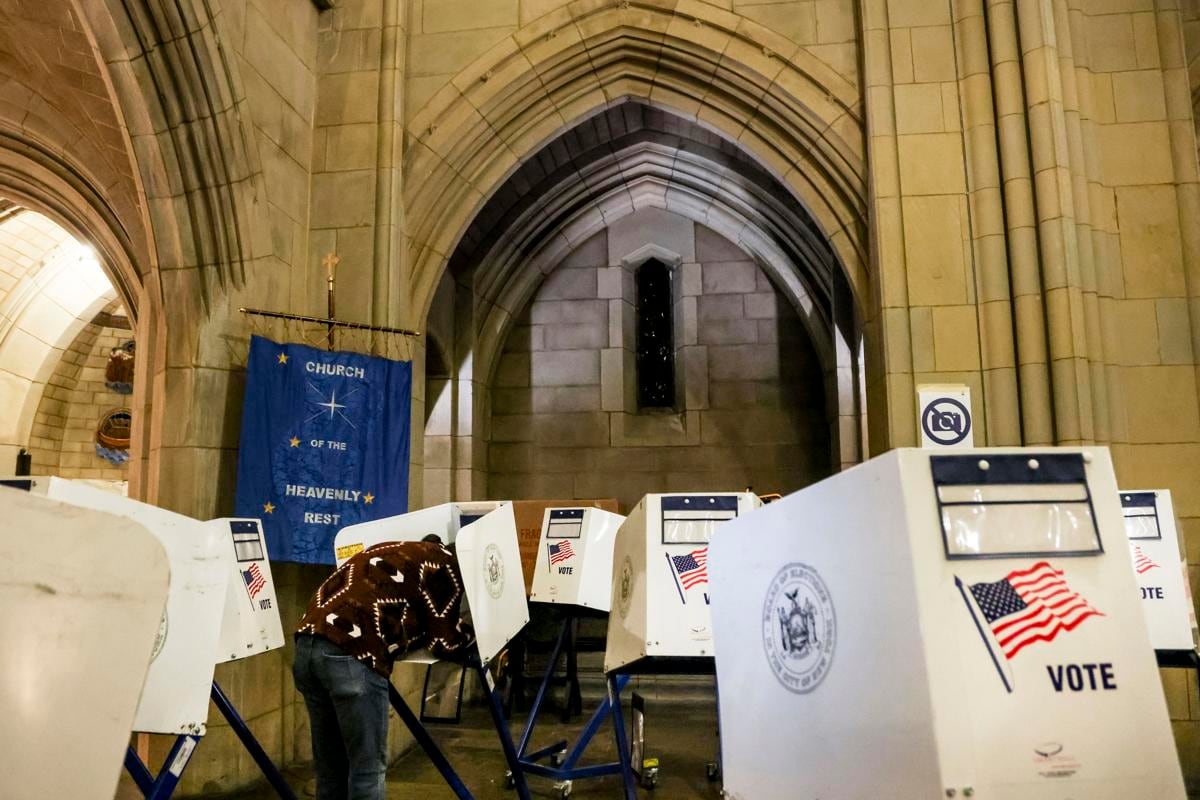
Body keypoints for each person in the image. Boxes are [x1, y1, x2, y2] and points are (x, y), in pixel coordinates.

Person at [293, 535, 474, 800]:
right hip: (352, 651)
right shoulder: (447, 566)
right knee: (368, 771)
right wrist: (472, 633)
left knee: (331, 770)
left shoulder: (397, 550)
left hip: (307, 645)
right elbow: (444, 642)